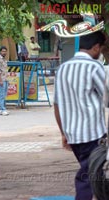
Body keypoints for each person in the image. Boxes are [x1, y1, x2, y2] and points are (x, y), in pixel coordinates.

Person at [54, 31, 106, 200]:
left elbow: (56, 104)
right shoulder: (94, 67)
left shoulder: (62, 68)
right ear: (96, 47)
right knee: (88, 177)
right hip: (93, 134)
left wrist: (63, 133)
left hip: (72, 134)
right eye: (101, 49)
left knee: (93, 174)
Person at [0, 46, 9, 116]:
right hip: (1, 79)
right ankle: (2, 109)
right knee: (1, 94)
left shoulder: (4, 60)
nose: (4, 52)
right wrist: (0, 80)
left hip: (5, 79)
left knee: (4, 94)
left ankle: (1, 108)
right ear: (0, 52)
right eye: (3, 51)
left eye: (5, 51)